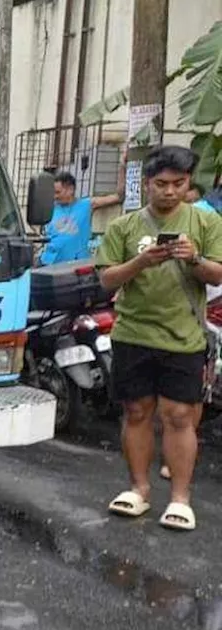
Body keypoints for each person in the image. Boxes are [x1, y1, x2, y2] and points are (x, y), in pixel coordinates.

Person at [94, 145, 222, 531]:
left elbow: (217, 276)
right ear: (147, 183)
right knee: (136, 412)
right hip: (132, 334)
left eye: (179, 184)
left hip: (183, 336)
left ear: (188, 184)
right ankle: (139, 490)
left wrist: (194, 259)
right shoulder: (124, 227)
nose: (169, 191)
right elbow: (106, 279)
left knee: (180, 416)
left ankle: (180, 499)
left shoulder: (205, 224)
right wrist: (141, 262)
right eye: (161, 184)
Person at [39, 169, 124, 265]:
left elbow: (118, 197)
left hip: (77, 264)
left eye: (58, 192)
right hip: (49, 263)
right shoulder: (50, 208)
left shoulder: (87, 205)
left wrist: (122, 165)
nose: (55, 196)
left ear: (70, 189)